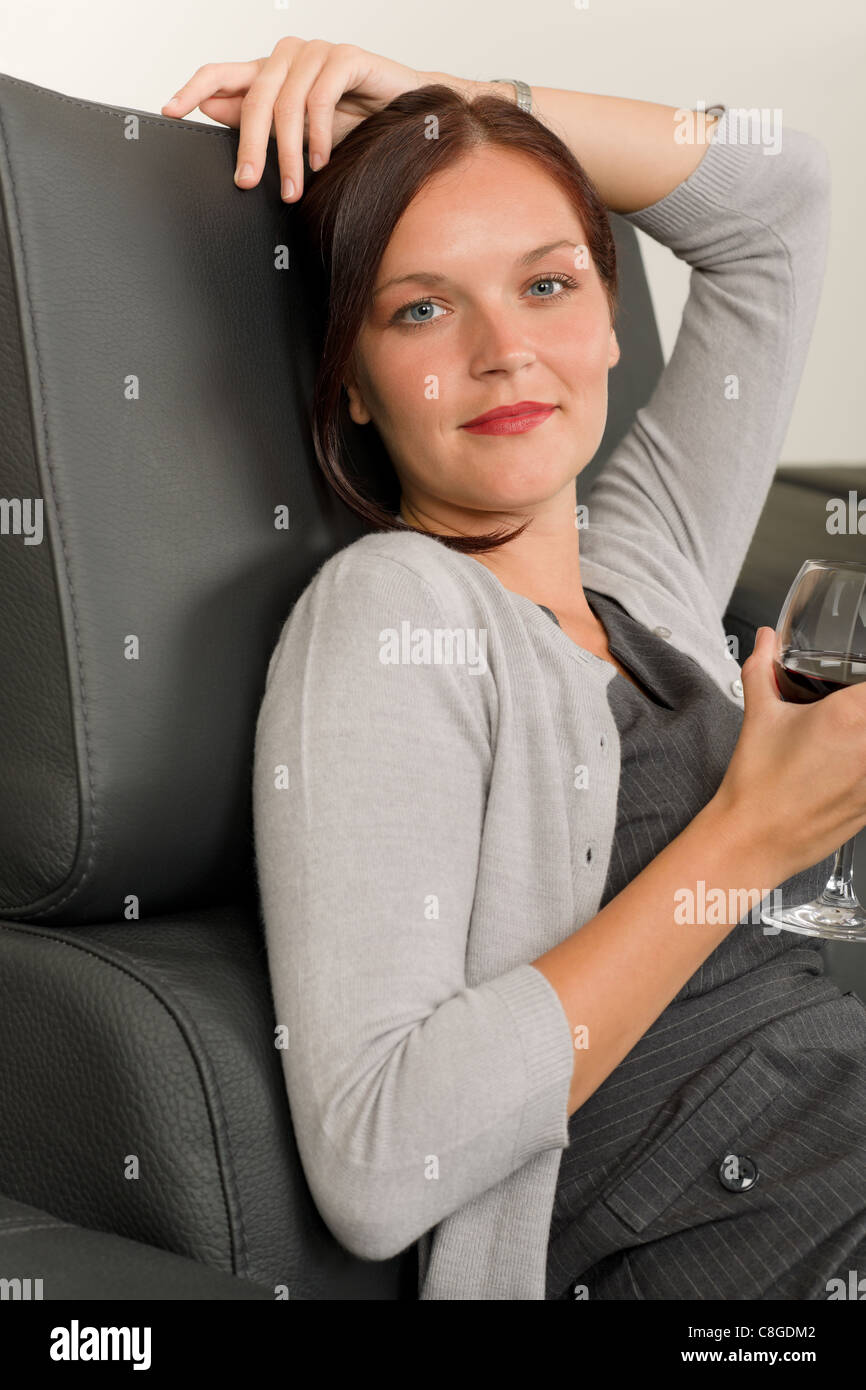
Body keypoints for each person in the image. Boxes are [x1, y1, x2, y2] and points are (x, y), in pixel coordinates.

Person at [166, 39, 866, 1300]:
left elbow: (780, 202)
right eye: (421, 307)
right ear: (359, 389)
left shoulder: (645, 568)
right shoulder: (388, 614)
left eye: (546, 285)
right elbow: (377, 1156)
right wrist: (749, 841)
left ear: (609, 322)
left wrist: (461, 109)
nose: (503, 349)